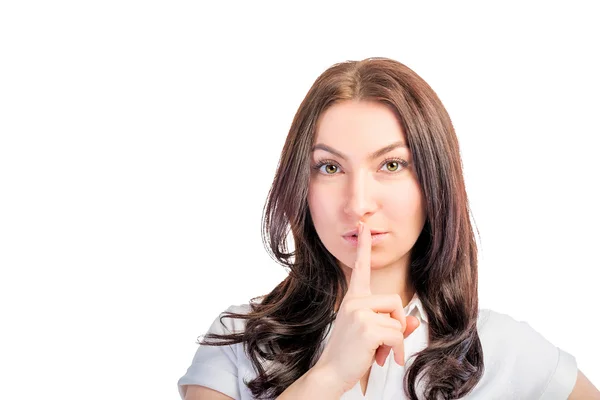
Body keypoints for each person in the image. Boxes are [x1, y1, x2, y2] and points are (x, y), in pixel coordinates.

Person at [177, 58, 599, 399]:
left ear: (434, 182)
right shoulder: (240, 342)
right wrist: (327, 377)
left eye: (391, 165)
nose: (358, 202)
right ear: (300, 186)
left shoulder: (504, 351)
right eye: (329, 167)